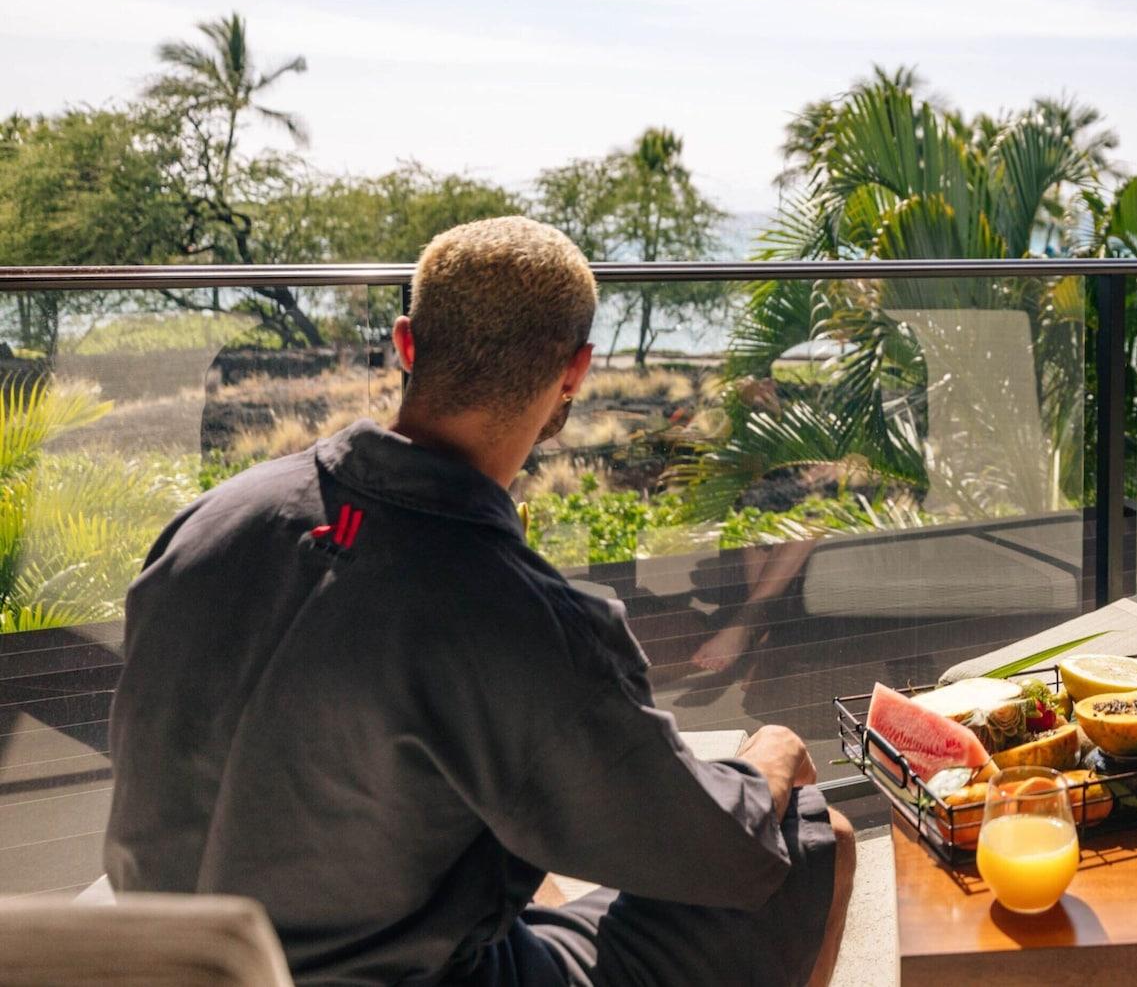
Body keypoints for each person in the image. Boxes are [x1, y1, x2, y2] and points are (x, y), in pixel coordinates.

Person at [104, 217, 855, 986]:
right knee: (812, 833)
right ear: (576, 371)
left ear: (406, 344)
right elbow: (718, 852)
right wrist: (776, 754)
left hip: (170, 962)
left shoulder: (207, 521)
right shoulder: (514, 615)